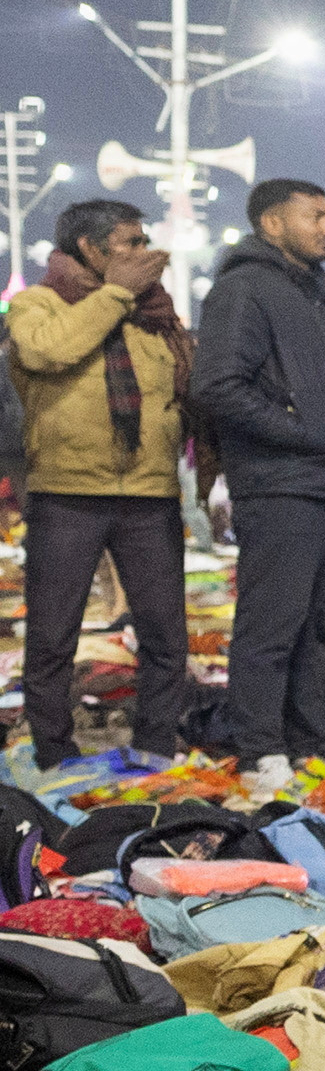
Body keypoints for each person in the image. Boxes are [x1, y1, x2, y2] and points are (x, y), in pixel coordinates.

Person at [189, 177, 325, 777]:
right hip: (280, 485)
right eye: (315, 217)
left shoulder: (319, 294)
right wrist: (305, 433)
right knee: (272, 624)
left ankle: (310, 740)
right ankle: (259, 749)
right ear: (273, 225)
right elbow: (218, 386)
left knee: (321, 625)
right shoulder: (243, 289)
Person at [9, 198, 197, 764]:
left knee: (166, 637)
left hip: (150, 495)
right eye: (131, 243)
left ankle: (155, 746)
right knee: (52, 638)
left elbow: (182, 398)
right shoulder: (36, 305)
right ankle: (53, 753)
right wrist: (115, 294)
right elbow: (50, 351)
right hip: (67, 493)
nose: (147, 253)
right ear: (89, 249)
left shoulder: (156, 315)